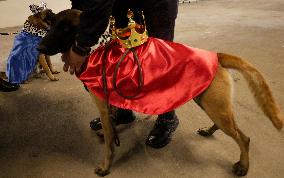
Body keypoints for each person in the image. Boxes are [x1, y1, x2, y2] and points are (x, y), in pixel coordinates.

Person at [62, 0, 179, 148]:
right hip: (123, 5)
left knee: (159, 62)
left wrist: (80, 47)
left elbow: (98, 4)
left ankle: (167, 117)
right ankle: (124, 111)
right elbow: (82, 4)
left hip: (157, 5)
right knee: (122, 59)